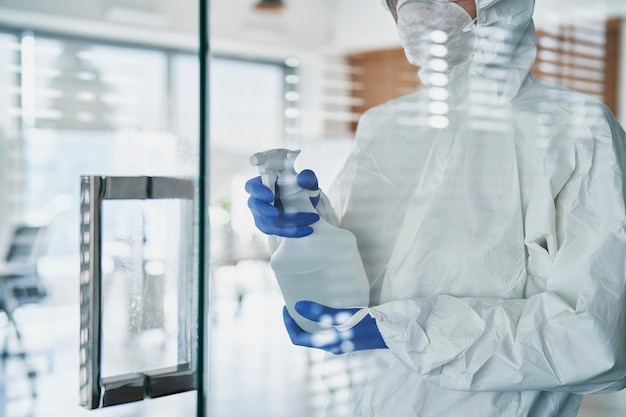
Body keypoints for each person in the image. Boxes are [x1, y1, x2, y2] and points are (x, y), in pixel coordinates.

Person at [246, 0, 626, 415]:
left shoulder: (577, 130)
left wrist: (412, 333)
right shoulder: (383, 126)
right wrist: (305, 223)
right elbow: (364, 269)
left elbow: (596, 338)